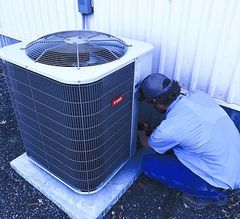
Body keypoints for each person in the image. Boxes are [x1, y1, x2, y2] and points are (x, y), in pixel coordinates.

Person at [138, 73, 240, 209]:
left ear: (156, 102)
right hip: (232, 160)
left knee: (148, 164)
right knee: (174, 148)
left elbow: (147, 144)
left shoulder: (169, 129)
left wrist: (139, 133)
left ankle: (213, 193)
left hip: (222, 178)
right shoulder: (198, 95)